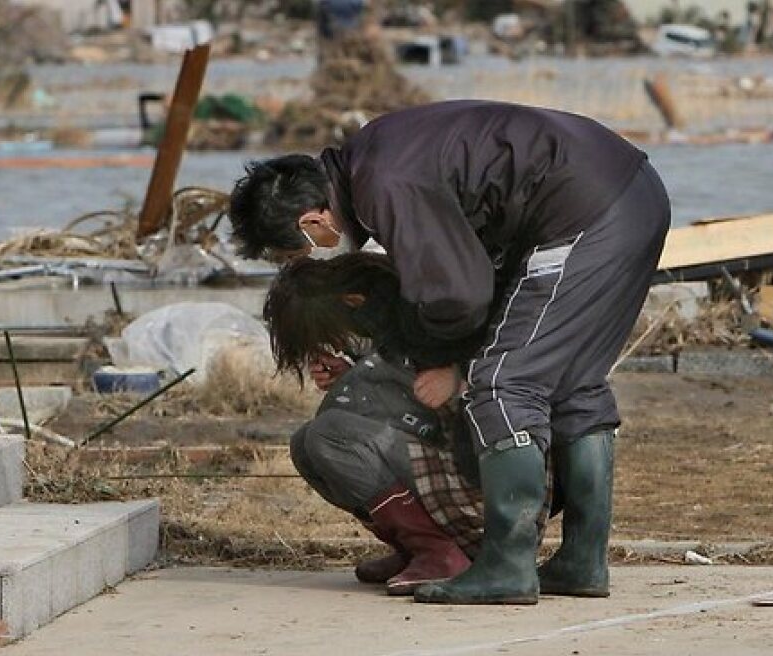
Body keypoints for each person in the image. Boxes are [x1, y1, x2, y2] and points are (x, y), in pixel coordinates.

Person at [229, 100, 670, 605]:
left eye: (299, 250)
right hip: (627, 193)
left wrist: (454, 366)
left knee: (504, 383)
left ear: (313, 221)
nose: (310, 259)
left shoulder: (385, 183)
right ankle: (581, 560)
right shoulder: (375, 157)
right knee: (573, 382)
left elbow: (459, 294)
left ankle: (507, 565)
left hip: (586, 211)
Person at [263, 253, 495, 595]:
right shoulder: (390, 316)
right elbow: (406, 389)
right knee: (304, 445)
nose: (342, 340)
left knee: (329, 436)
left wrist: (456, 375)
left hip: (483, 483)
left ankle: (439, 552)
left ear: (351, 300)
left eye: (332, 332)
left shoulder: (425, 309)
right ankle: (415, 548)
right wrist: (352, 373)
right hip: (452, 463)